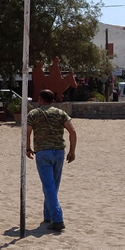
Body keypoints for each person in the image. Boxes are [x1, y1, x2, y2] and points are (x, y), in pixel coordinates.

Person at [25, 89, 77, 231]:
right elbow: (72, 131)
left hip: (43, 153)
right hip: (59, 152)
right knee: (53, 186)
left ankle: (57, 219)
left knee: (49, 186)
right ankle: (47, 214)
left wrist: (28, 149)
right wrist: (72, 150)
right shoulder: (60, 113)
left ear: (41, 99)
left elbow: (27, 132)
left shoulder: (34, 114)